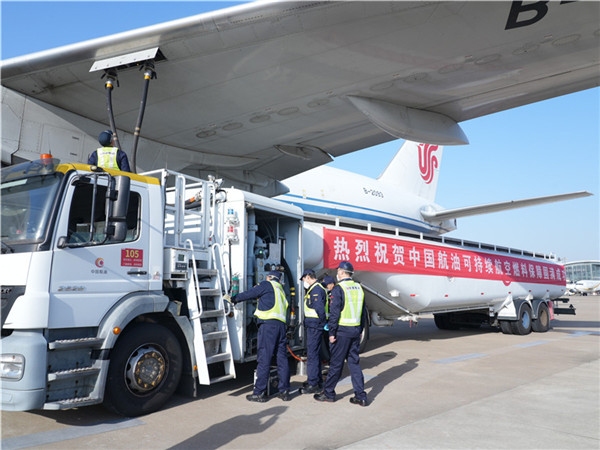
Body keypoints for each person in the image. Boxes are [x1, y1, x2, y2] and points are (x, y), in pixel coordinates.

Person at [314, 261, 368, 406]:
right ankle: (360, 395)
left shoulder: (339, 289)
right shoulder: (358, 287)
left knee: (336, 364)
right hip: (355, 330)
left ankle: (328, 393)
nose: (337, 274)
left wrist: (331, 333)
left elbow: (334, 313)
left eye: (338, 271)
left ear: (343, 272)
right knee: (354, 363)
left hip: (342, 331)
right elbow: (363, 313)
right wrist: (360, 329)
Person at [231, 270, 291, 402]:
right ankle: (285, 391)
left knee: (264, 358)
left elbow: (250, 294)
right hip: (281, 327)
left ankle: (259, 392)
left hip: (268, 326)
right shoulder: (281, 290)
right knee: (282, 359)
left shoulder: (266, 285)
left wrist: (233, 298)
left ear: (269, 277)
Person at [299, 269, 327, 394]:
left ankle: (313, 383)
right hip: (314, 325)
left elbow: (320, 309)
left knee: (312, 355)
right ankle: (318, 380)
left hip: (314, 326)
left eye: (304, 279)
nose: (304, 281)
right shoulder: (316, 288)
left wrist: (321, 323)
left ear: (309, 277)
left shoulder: (316, 290)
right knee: (316, 354)